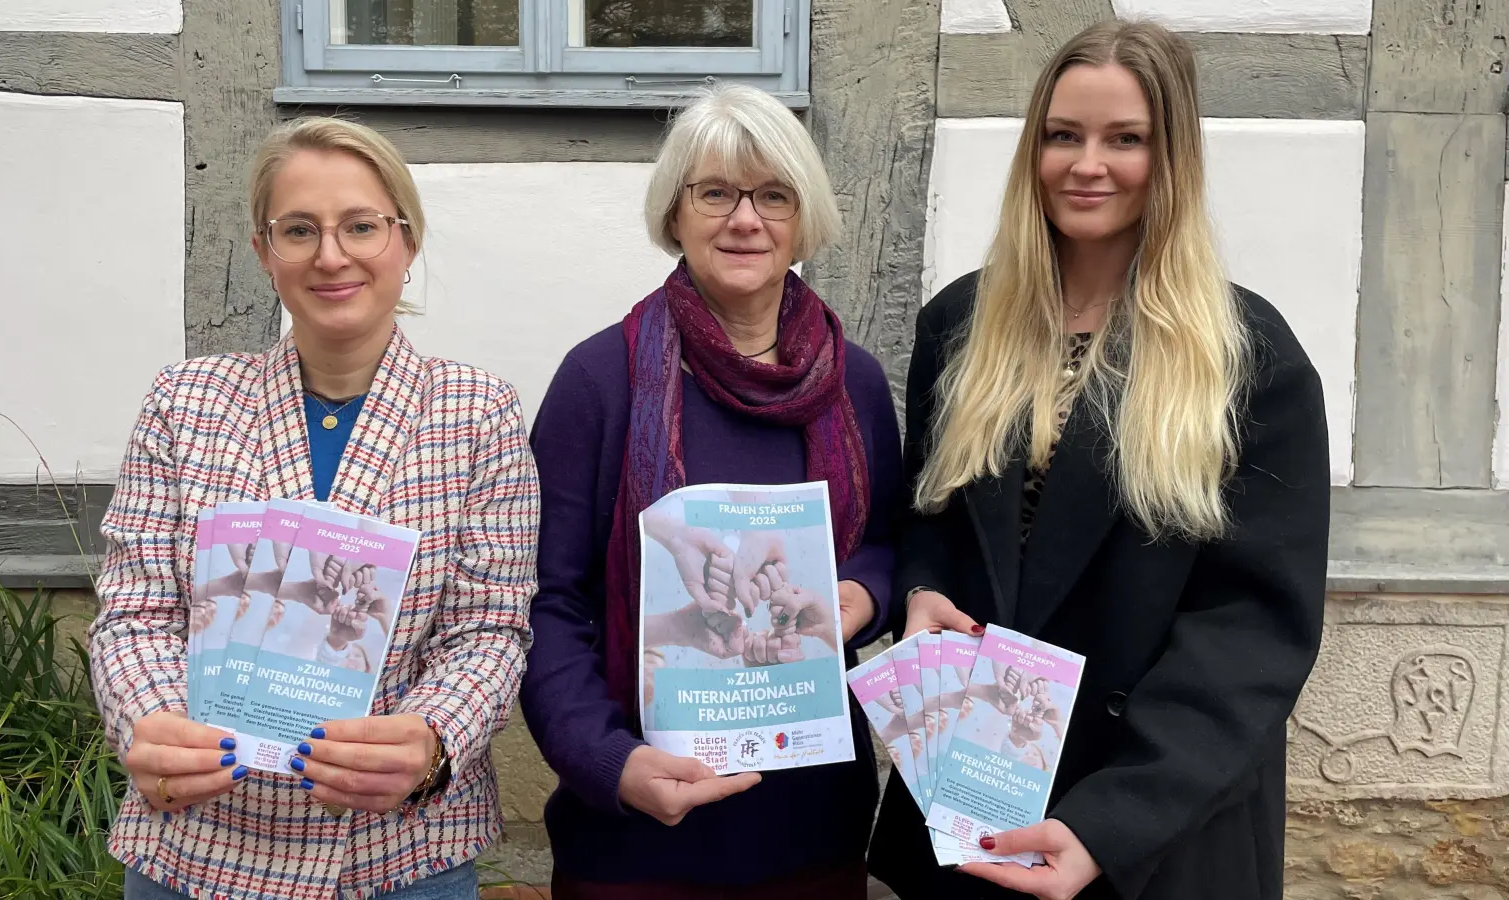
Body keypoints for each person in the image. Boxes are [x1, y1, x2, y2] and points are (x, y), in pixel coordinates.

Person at [868, 20, 1330, 900]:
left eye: (1126, 139)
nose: (1089, 164)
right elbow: (928, 514)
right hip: (978, 792)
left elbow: (1253, 631)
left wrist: (1110, 822)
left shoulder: (1246, 355)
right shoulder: (961, 323)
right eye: (1063, 135)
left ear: (1172, 160)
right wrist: (920, 592)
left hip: (1153, 818)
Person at [87, 116, 540, 900]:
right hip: (199, 840)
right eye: (299, 230)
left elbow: (489, 628)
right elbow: (134, 612)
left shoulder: (477, 414)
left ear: (406, 240)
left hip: (397, 851)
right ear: (265, 253)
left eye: (360, 226)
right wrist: (154, 726)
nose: (332, 256)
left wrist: (430, 741)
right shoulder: (184, 403)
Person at [519, 83, 903, 900]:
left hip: (810, 826)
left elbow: (886, 543)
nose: (744, 219)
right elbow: (549, 603)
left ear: (804, 218)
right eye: (716, 192)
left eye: (773, 195)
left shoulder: (854, 383)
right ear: (677, 213)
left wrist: (861, 595)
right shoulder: (600, 382)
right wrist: (607, 763)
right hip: (637, 839)